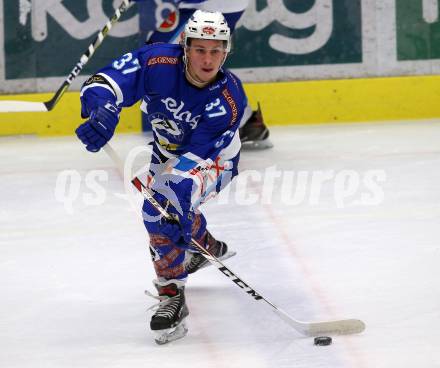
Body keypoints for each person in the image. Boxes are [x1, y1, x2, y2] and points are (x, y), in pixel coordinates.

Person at [76, 10, 246, 344]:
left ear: (226, 51)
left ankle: (172, 296)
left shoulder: (227, 101)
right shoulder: (157, 63)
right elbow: (102, 83)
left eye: (216, 50)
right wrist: (101, 110)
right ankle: (204, 247)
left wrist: (177, 206)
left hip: (214, 160)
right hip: (166, 153)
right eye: (200, 49)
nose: (208, 59)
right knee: (169, 213)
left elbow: (187, 171)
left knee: (159, 210)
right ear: (185, 45)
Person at [137, 0, 273, 150]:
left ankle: (240, 123)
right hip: (202, 5)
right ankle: (244, 122)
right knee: (162, 56)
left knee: (158, 56)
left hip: (216, 5)